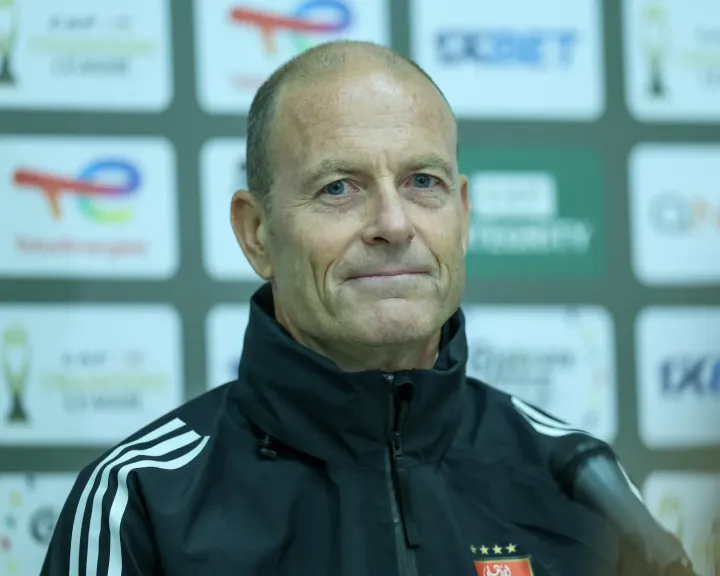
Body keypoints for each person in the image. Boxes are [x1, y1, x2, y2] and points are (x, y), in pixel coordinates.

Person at [43, 40, 659, 576]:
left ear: (464, 215)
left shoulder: (582, 486)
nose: (394, 223)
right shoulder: (143, 500)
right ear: (257, 234)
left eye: (424, 182)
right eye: (339, 187)